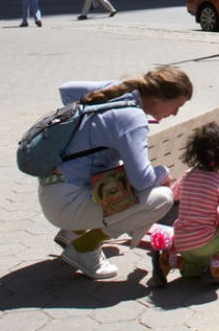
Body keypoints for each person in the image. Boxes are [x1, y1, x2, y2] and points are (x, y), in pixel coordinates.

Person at [37, 66, 193, 279]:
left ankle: (73, 232)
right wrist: (163, 172)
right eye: (177, 106)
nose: (175, 113)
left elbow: (66, 90)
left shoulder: (116, 92)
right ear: (158, 97)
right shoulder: (132, 118)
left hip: (53, 188)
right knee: (161, 198)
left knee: (118, 164)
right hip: (66, 203)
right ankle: (83, 249)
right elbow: (142, 181)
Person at [155, 121, 219, 285]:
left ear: (195, 152)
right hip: (204, 241)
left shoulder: (188, 175)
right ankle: (215, 266)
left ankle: (170, 262)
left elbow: (174, 194)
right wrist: (217, 217)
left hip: (182, 241)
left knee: (193, 272)